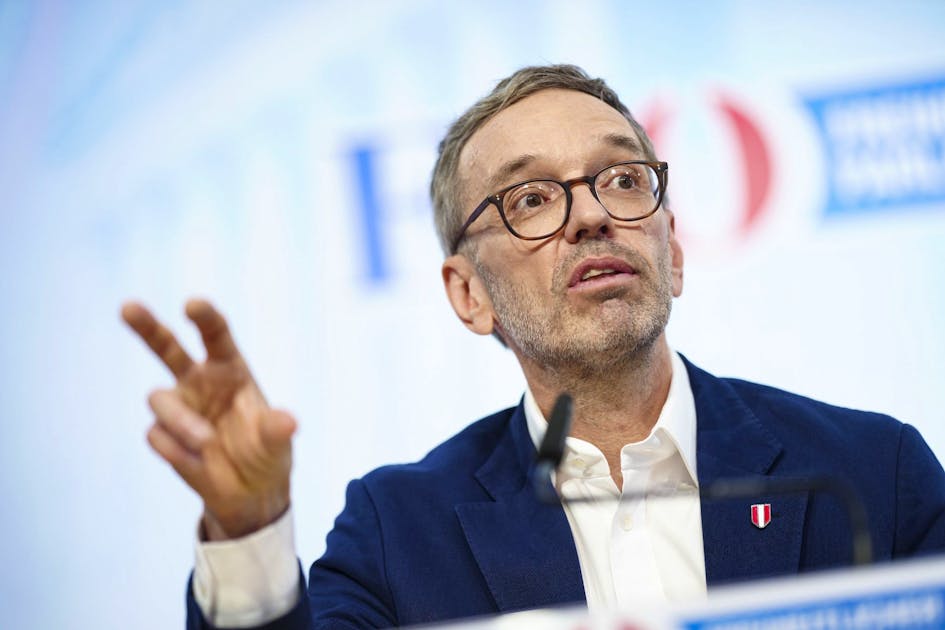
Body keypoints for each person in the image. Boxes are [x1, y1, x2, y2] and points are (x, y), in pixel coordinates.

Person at [123, 65, 945, 629]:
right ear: (468, 294)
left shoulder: (873, 474)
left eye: (622, 180)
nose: (591, 215)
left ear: (672, 247)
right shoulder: (398, 532)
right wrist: (248, 533)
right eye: (529, 199)